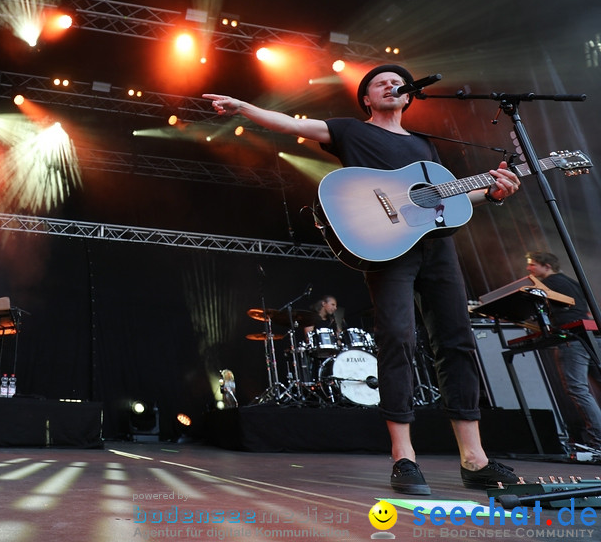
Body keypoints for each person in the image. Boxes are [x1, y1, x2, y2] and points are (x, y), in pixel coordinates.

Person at [205, 64, 521, 494]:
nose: (392, 85)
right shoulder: (351, 131)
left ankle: (474, 459)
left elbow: (447, 200)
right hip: (388, 248)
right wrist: (245, 108)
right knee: (397, 339)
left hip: (438, 250)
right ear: (367, 99)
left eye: (397, 82)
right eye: (380, 83)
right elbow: (292, 122)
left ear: (409, 96)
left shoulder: (426, 145)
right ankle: (404, 458)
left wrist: (494, 191)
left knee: (457, 343)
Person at [525, 250, 601, 455]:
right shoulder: (572, 282)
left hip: (573, 336)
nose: (528, 268)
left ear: (546, 266)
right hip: (592, 334)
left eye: (532, 265)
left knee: (577, 388)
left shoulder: (546, 285)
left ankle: (598, 442)